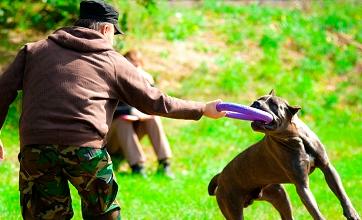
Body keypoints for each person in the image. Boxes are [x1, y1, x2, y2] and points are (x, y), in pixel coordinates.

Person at [0, 0, 225, 219]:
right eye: (114, 35)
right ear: (106, 29)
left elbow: (3, 91)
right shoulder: (112, 61)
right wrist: (202, 108)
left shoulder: (33, 51)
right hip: (85, 149)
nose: (114, 41)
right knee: (104, 214)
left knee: (44, 216)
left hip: (36, 148)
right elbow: (154, 101)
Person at [107, 50, 174, 177]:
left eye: (136, 66)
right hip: (111, 139)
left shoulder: (143, 81)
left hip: (130, 137)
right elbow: (106, 109)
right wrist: (131, 111)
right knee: (123, 120)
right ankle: (137, 166)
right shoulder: (113, 82)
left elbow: (153, 105)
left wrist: (148, 84)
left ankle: (164, 163)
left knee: (153, 118)